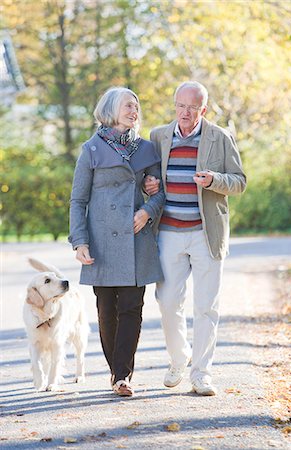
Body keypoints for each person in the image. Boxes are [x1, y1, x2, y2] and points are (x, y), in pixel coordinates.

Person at [145, 81, 246, 396]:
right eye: (180, 105)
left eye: (192, 107)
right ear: (174, 105)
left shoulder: (220, 137)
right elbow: (149, 179)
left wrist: (215, 180)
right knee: (167, 302)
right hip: (168, 233)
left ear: (203, 109)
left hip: (206, 234)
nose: (185, 113)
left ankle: (201, 373)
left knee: (206, 307)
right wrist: (149, 186)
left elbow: (239, 181)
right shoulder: (158, 136)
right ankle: (179, 358)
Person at [68, 87, 164, 397]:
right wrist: (79, 241)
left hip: (135, 237)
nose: (134, 110)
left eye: (137, 105)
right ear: (111, 109)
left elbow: (159, 190)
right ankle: (115, 371)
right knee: (106, 309)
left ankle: (123, 375)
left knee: (132, 307)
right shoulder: (92, 150)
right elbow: (78, 200)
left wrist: (147, 211)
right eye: (128, 105)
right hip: (102, 240)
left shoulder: (146, 149)